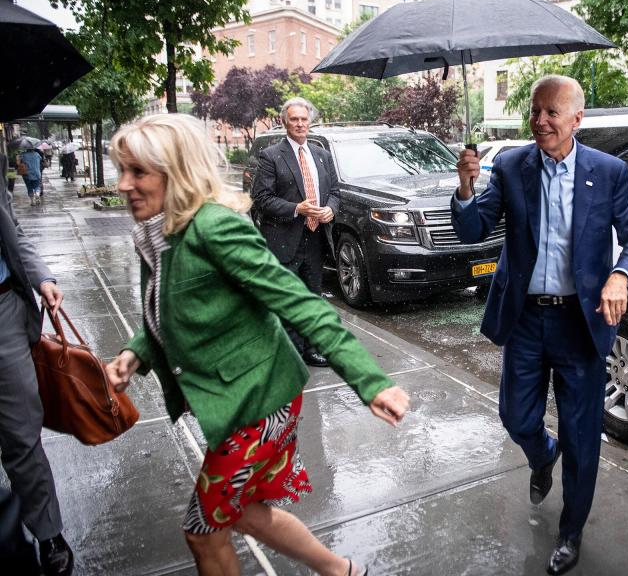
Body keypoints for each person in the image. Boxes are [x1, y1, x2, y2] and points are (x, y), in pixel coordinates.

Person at [103, 113, 409, 576]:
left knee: (202, 532)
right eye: (121, 170)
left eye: (138, 172)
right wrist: (135, 352)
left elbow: (301, 304)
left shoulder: (216, 227)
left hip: (259, 402)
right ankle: (341, 571)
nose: (124, 184)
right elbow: (173, 308)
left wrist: (371, 382)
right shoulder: (159, 232)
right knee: (242, 512)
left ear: (177, 171)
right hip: (243, 397)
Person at [451, 75, 628, 575]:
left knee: (583, 438)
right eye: (535, 111)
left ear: (577, 119)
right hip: (524, 318)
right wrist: (466, 186)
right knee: (517, 419)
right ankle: (543, 454)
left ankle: (570, 531)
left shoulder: (608, 172)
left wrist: (621, 275)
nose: (540, 120)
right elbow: (473, 229)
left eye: (551, 112)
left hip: (579, 325)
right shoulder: (513, 165)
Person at [0, 151, 73, 575]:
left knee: (21, 432)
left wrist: (42, 277)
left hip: (4, 312)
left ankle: (48, 533)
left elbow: (11, 227)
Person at [252, 97, 337, 368]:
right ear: (284, 121)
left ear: (310, 121)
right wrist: (296, 208)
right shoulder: (271, 156)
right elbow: (261, 198)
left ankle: (311, 349)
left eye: (304, 119)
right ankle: (290, 351)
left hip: (315, 238)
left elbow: (335, 191)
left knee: (313, 296)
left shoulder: (321, 154)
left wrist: (331, 210)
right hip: (284, 238)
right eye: (294, 119)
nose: (300, 124)